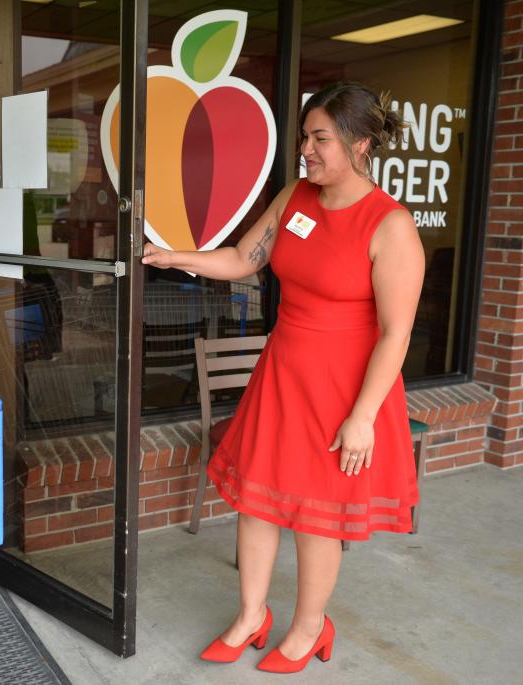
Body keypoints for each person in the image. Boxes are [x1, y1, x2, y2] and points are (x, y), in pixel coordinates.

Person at [142, 82, 424, 674]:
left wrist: (363, 417)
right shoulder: (296, 196)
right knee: (259, 500)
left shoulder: (390, 225)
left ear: (361, 143)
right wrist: (180, 258)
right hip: (284, 371)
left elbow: (396, 332)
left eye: (320, 138)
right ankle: (251, 616)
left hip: (346, 387)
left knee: (318, 515)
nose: (307, 150)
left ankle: (309, 627)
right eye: (305, 137)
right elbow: (247, 258)